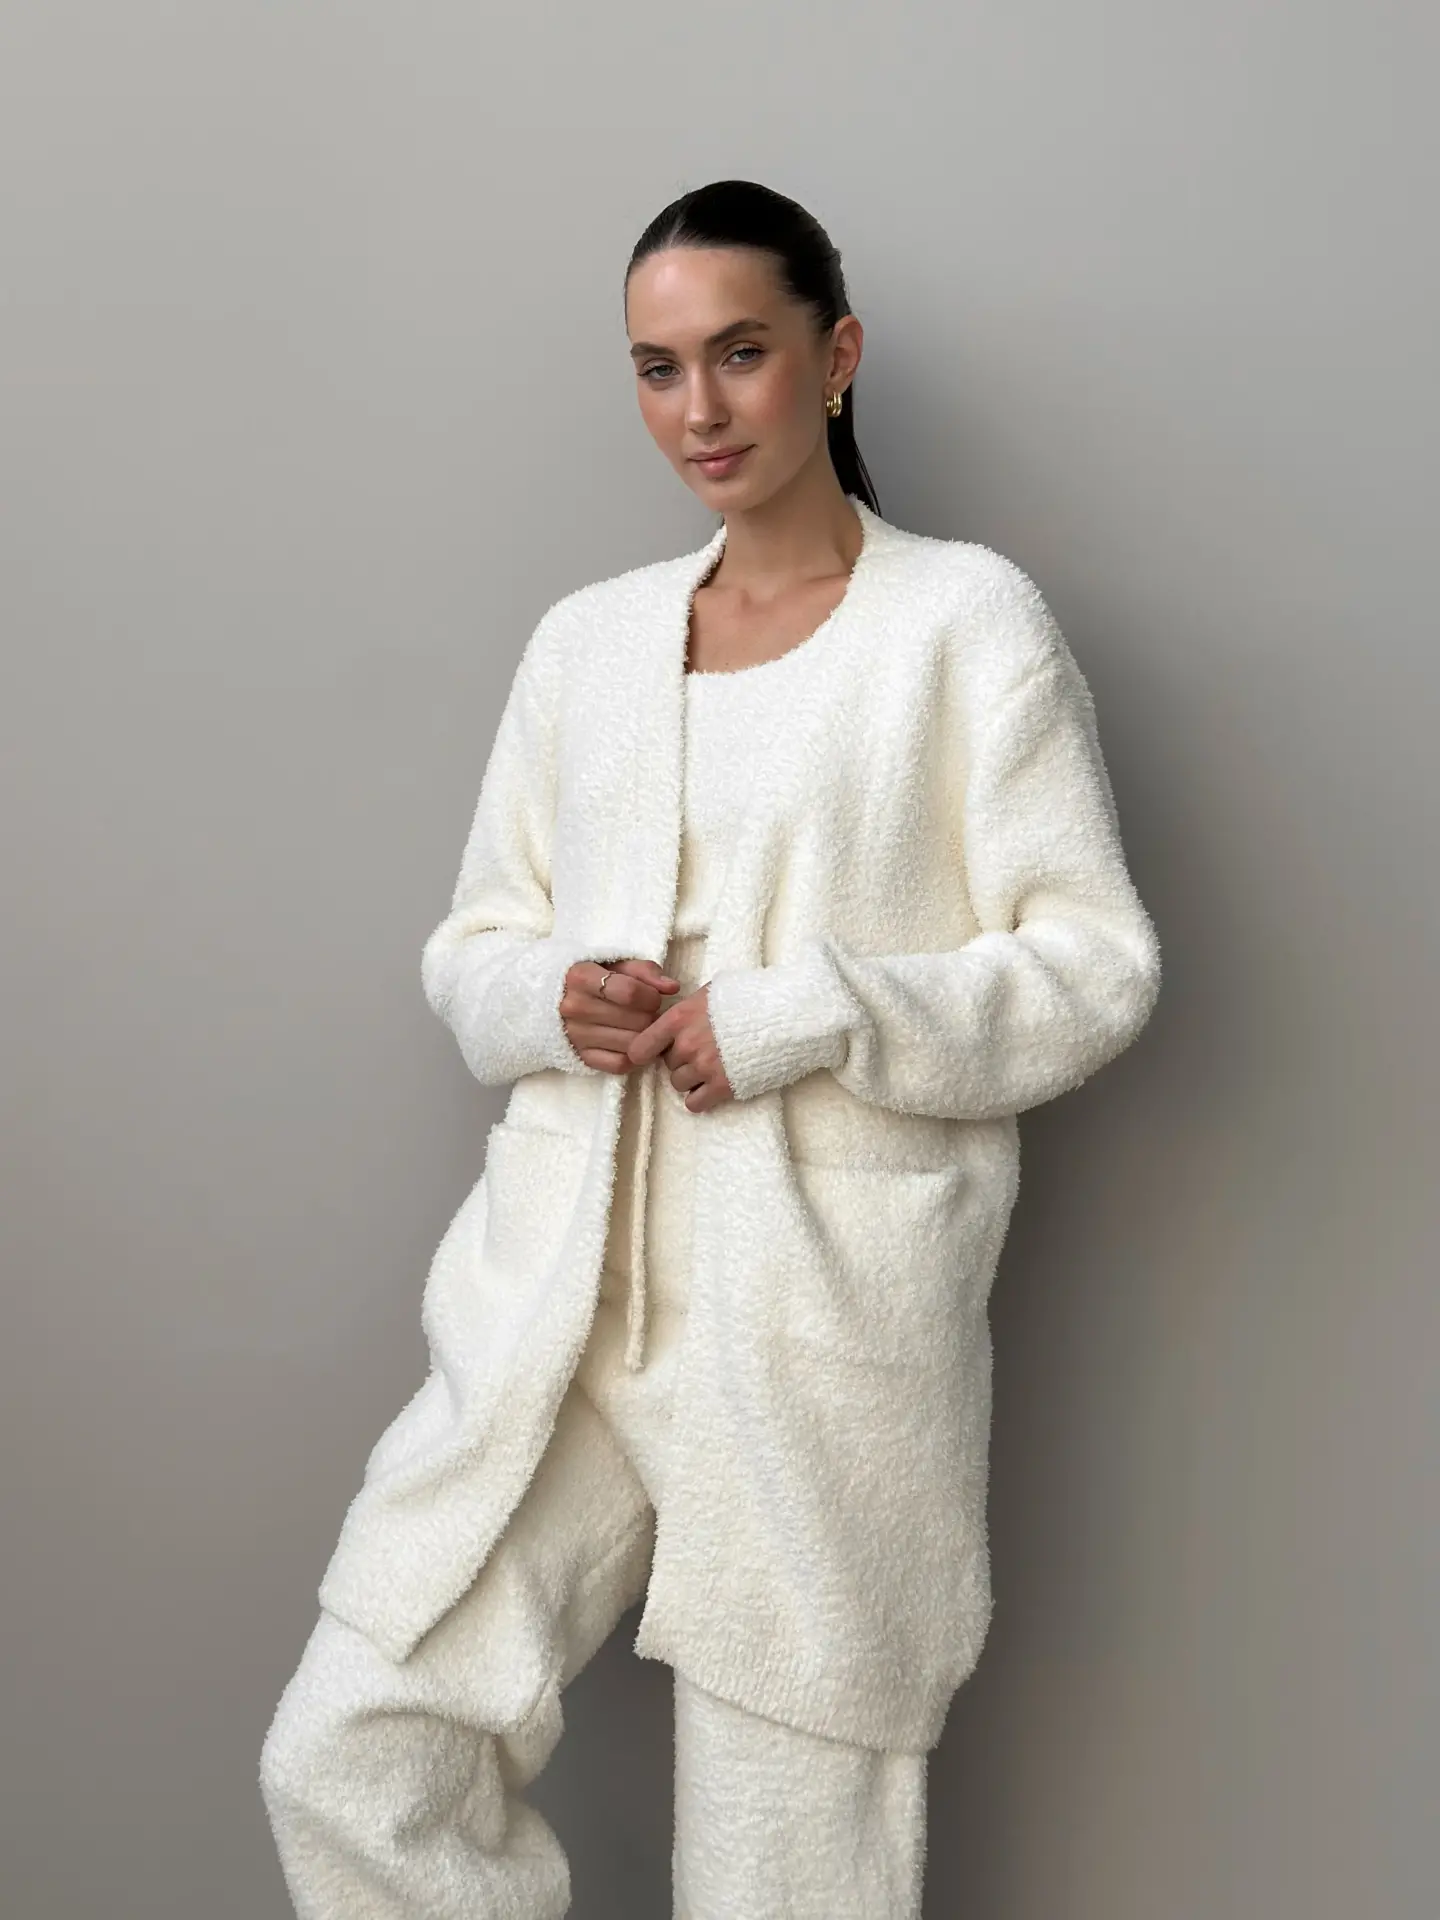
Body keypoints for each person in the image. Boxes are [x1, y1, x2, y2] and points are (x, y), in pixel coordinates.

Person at [258, 178, 1162, 1918]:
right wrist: (554, 999)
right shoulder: (587, 644)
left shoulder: (962, 624)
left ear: (838, 354)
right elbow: (474, 946)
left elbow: (1093, 967)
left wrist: (810, 1012)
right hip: (560, 1314)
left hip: (812, 1331)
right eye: (657, 368)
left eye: (740, 354)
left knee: (787, 1877)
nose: (699, 409)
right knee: (355, 1751)